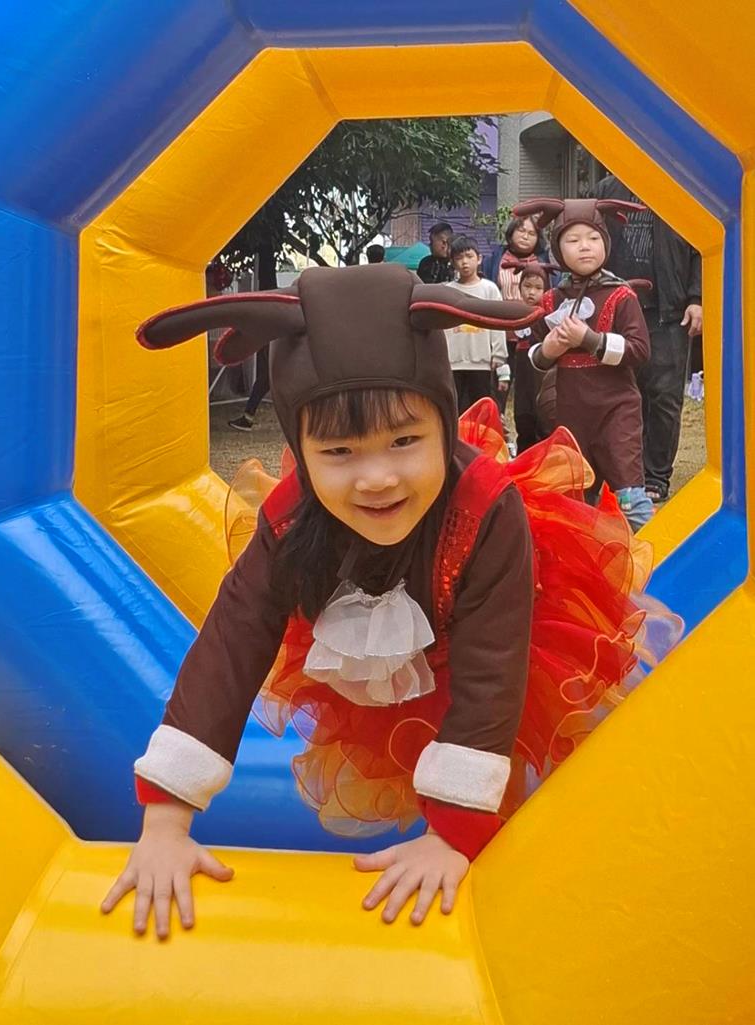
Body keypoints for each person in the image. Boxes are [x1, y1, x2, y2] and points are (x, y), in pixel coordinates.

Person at [102, 263, 681, 939]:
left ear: (441, 426)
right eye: (338, 451)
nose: (377, 477)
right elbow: (231, 645)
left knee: (534, 757)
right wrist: (165, 822)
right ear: (301, 451)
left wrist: (452, 834)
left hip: (503, 638)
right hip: (390, 636)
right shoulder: (291, 519)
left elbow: (493, 668)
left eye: (405, 441)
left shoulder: (485, 510)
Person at [515, 197, 655, 531]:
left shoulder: (621, 296)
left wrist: (590, 340)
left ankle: (656, 555)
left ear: (605, 242)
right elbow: (534, 355)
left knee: (629, 496)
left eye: (593, 238)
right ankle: (592, 558)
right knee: (576, 499)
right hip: (571, 415)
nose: (585, 246)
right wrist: (550, 348)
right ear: (557, 248)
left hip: (616, 411)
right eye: (573, 240)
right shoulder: (552, 300)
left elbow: (639, 351)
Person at [595, 175, 703, 504]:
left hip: (668, 310)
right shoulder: (608, 189)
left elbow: (702, 245)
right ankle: (627, 473)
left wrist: (697, 297)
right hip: (618, 307)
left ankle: (656, 475)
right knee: (621, 393)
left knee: (664, 397)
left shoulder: (680, 187)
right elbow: (589, 235)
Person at [443, 235, 510, 413]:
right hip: (454, 363)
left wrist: (499, 356)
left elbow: (497, 323)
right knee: (455, 410)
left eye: (469, 256)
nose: (464, 262)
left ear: (479, 259)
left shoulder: (489, 289)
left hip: (482, 363)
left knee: (481, 410)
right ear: (452, 262)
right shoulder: (447, 291)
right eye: (459, 258)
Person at [512, 262, 557, 452]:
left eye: (538, 288)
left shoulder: (551, 317)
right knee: (523, 415)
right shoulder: (515, 314)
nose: (532, 292)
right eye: (527, 286)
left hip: (541, 374)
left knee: (543, 417)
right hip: (522, 374)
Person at [482, 215, 552, 297]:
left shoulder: (546, 263)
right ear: (511, 232)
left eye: (531, 234)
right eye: (521, 231)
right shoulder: (492, 260)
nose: (525, 237)